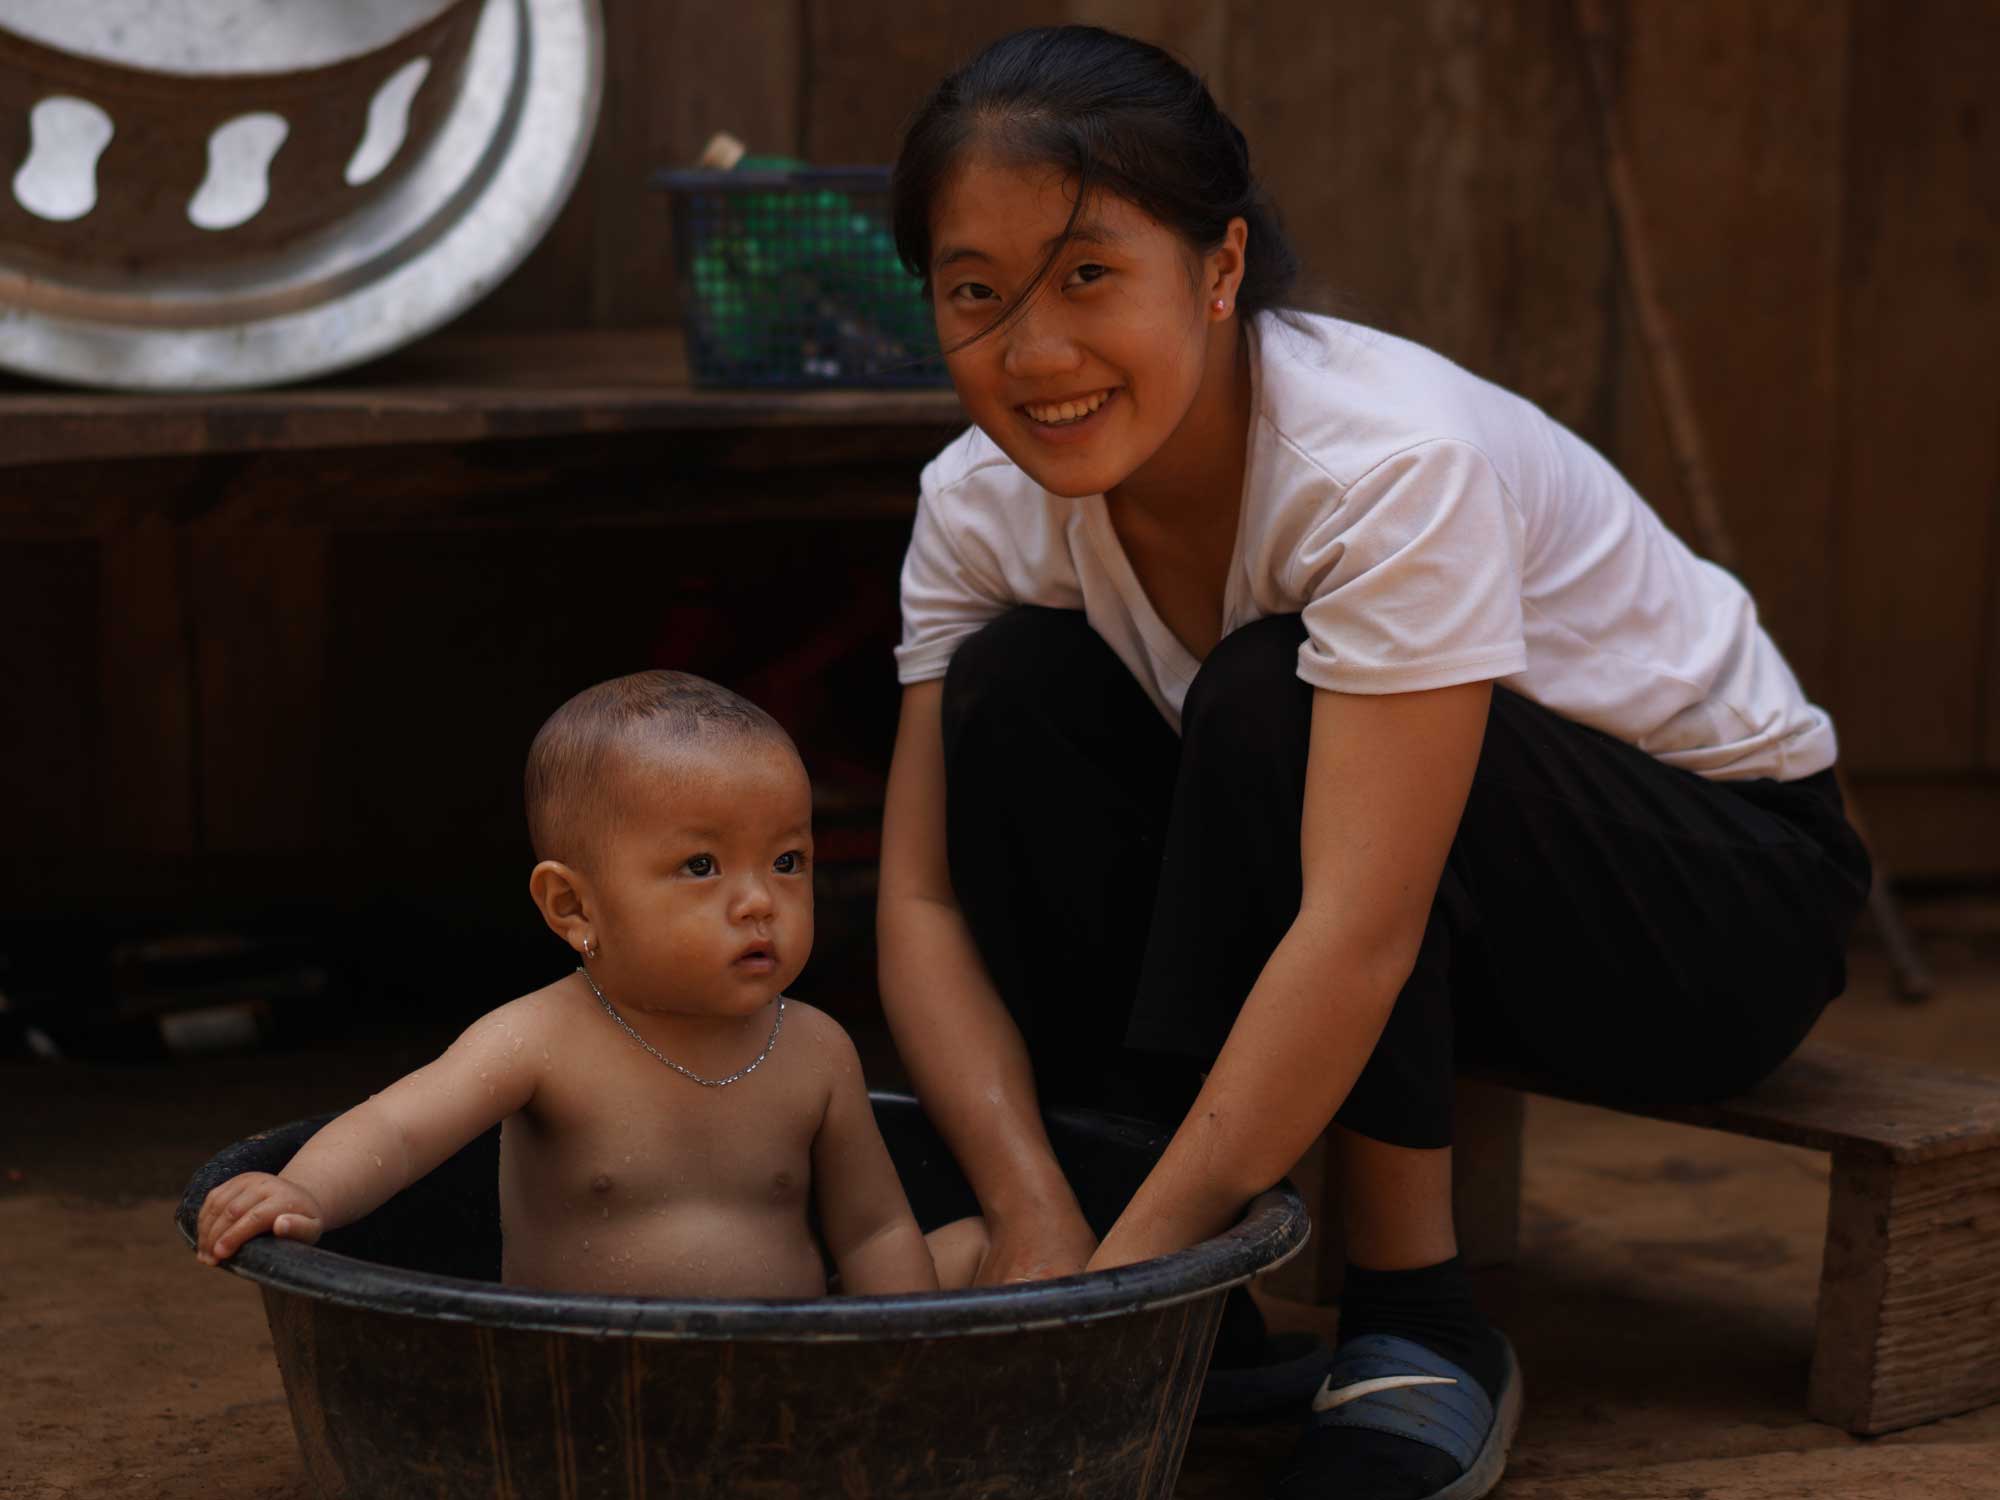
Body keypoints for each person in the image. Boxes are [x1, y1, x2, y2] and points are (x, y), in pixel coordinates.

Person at [874, 25, 1871, 1500]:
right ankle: (1197, 1310)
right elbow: (924, 899)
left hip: (1713, 909)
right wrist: (1038, 1220)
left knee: (1275, 689)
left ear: (1218, 272)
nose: (1034, 352)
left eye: (1089, 274)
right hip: (1409, 896)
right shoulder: (974, 505)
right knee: (1013, 690)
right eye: (977, 293)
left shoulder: (1380, 466)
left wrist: (1103, 1295)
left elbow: (1358, 930)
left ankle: (1420, 1320)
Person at [197, 671, 987, 1298]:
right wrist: (301, 1191)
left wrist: (897, 1362)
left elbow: (873, 1230)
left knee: (972, 1244)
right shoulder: (541, 1041)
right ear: (573, 906)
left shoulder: (817, 1051)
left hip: (786, 1382)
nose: (759, 902)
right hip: (594, 1390)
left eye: (788, 861)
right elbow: (397, 1131)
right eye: (701, 867)